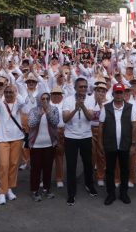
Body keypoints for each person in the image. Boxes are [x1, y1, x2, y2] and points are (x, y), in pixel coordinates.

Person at [61, 77, 97, 205]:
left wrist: (83, 106)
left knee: (88, 163)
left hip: (86, 136)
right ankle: (71, 193)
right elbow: (65, 119)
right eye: (80, 86)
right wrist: (76, 109)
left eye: (85, 87)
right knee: (71, 166)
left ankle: (89, 184)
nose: (83, 89)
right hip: (71, 137)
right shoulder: (68, 100)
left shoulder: (91, 99)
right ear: (75, 88)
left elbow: (90, 117)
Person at [100, 83, 136, 205]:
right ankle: (110, 194)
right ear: (113, 94)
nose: (119, 95)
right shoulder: (106, 107)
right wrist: (100, 143)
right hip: (110, 144)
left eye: (121, 92)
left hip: (125, 144)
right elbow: (101, 126)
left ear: (124, 94)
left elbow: (134, 126)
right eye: (117, 92)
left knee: (125, 170)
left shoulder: (131, 107)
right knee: (110, 170)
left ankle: (123, 193)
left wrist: (133, 144)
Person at [0, 83, 26, 205]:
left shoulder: (18, 103)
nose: (8, 94)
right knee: (3, 165)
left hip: (17, 138)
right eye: (7, 92)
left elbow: (23, 101)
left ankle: (9, 188)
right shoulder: (0, 103)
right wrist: (1, 92)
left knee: (13, 164)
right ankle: (2, 192)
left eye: (11, 92)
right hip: (2, 138)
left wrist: (14, 89)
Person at [28, 91, 59, 201]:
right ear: (39, 100)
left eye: (47, 99)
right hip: (36, 145)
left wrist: (48, 112)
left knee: (48, 168)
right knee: (35, 169)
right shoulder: (33, 110)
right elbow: (31, 124)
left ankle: (46, 189)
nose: (45, 101)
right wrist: (39, 114)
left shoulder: (54, 109)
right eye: (43, 99)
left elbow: (55, 122)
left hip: (49, 144)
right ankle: (34, 190)